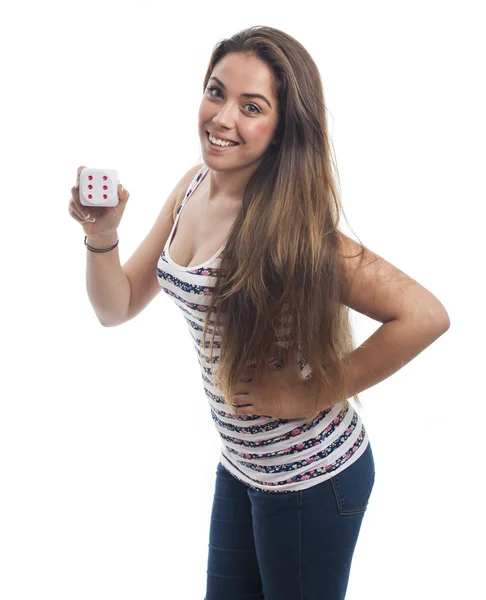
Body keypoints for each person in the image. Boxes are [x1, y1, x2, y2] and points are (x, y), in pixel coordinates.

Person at [69, 25, 450, 600]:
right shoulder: (193, 185)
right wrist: (103, 237)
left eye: (252, 107)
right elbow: (116, 307)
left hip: (312, 480)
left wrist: (308, 393)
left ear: (281, 129)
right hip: (244, 466)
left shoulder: (294, 233)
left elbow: (424, 314)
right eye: (216, 92)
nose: (222, 119)